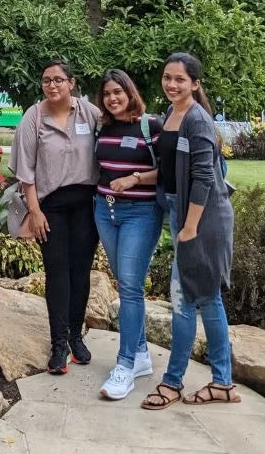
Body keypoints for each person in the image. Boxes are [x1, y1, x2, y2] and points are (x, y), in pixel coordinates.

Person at [142, 52, 240, 410]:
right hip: (182, 214)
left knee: (183, 302)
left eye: (180, 79)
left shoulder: (197, 120)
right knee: (208, 299)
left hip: (202, 220)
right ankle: (223, 383)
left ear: (195, 84)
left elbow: (203, 179)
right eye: (168, 77)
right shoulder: (171, 114)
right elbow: (170, 171)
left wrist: (189, 228)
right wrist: (136, 178)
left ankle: (172, 382)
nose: (171, 84)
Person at [10, 60, 101, 375]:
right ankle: (59, 343)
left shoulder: (89, 114)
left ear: (71, 83)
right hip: (51, 208)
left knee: (81, 273)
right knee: (57, 272)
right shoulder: (33, 118)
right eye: (47, 80)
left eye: (59, 80)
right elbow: (26, 171)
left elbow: (116, 133)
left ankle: (76, 336)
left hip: (87, 206)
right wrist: (34, 211)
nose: (52, 85)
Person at [93, 69, 163, 400]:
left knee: (131, 287)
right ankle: (142, 354)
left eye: (117, 92)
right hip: (105, 211)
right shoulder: (102, 127)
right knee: (124, 281)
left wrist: (135, 178)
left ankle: (125, 366)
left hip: (141, 213)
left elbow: (167, 171)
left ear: (129, 92)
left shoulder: (150, 125)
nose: (112, 98)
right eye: (107, 94)